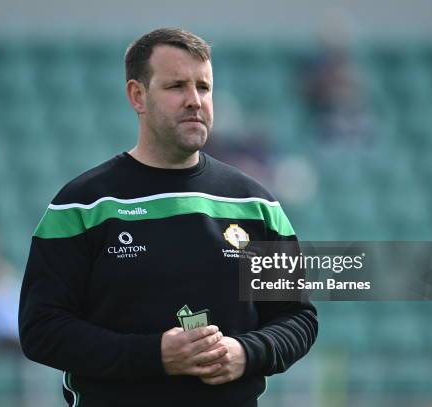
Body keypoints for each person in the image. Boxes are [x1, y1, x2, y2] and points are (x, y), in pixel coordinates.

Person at [18, 28, 318, 407]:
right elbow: (41, 331)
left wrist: (246, 352)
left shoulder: (257, 205)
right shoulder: (81, 205)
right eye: (177, 86)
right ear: (137, 96)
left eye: (203, 88)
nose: (194, 101)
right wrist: (155, 354)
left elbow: (297, 317)